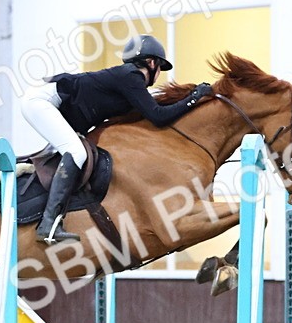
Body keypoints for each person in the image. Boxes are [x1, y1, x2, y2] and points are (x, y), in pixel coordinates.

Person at [20, 34, 213, 244]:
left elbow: (154, 111)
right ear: (151, 63)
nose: (158, 75)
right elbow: (158, 116)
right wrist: (195, 97)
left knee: (73, 151)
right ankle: (48, 224)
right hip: (42, 101)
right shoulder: (131, 75)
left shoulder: (127, 82)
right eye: (160, 68)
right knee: (76, 152)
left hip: (49, 102)